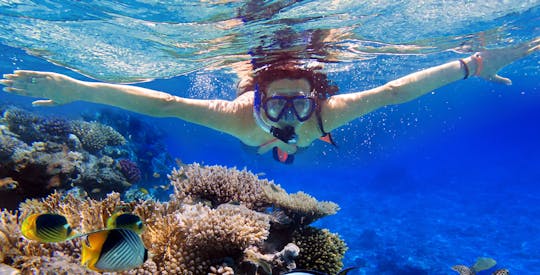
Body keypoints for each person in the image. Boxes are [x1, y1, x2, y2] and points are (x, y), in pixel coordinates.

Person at [1, 38, 538, 163]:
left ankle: (286, 152)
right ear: (255, 95)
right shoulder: (237, 115)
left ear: (314, 97)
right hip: (259, 136)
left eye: (299, 105)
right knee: (272, 146)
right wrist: (77, 89)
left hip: (291, 136)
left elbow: (396, 91)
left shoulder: (328, 111)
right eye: (276, 104)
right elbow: (161, 103)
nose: (288, 114)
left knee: (286, 145)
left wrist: (471, 65)